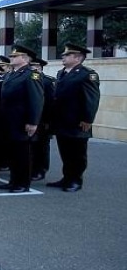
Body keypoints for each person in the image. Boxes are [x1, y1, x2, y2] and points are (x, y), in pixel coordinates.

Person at [48, 43, 101, 192]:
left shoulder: (87, 74)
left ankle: (76, 180)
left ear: (77, 58)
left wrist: (88, 119)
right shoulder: (62, 73)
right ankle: (66, 177)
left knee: (77, 153)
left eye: (67, 55)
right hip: (62, 120)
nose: (63, 57)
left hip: (78, 121)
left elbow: (92, 98)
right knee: (65, 151)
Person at [0, 44, 43, 193]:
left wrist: (33, 121)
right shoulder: (11, 73)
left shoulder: (31, 74)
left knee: (22, 153)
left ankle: (23, 183)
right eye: (11, 56)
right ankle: (13, 180)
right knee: (12, 153)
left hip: (22, 121)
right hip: (9, 120)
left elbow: (36, 99)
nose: (11, 58)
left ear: (24, 58)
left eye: (14, 56)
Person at [30, 57, 55, 182]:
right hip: (32, 118)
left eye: (33, 66)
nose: (31, 68)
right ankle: (32, 168)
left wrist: (48, 121)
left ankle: (40, 170)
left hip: (43, 120)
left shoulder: (47, 81)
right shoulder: (30, 79)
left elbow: (50, 103)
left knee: (42, 146)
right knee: (32, 146)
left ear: (39, 67)